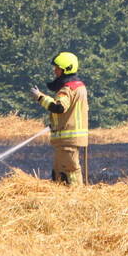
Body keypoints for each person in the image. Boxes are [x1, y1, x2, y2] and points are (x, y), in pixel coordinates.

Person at [29, 51, 89, 186]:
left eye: (57, 68)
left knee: (70, 171)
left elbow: (59, 107)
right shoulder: (79, 87)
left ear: (66, 69)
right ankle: (61, 193)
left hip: (68, 139)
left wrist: (40, 97)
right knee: (59, 171)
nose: (55, 71)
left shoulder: (67, 89)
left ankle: (76, 194)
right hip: (68, 139)